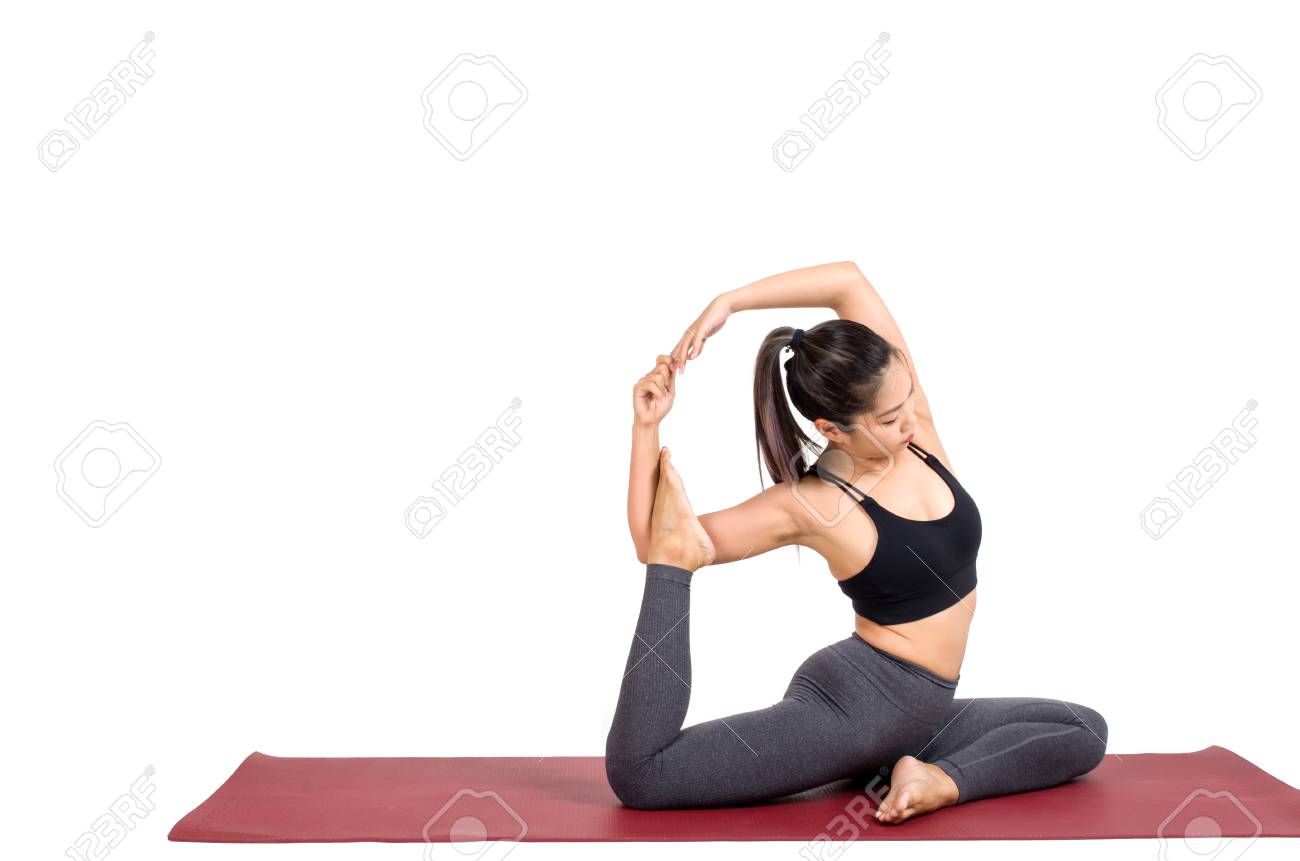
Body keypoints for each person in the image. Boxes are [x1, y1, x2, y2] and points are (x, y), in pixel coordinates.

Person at [605, 261, 1108, 822]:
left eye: (909, 399)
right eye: (891, 419)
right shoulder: (814, 504)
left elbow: (847, 281)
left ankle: (930, 773)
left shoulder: (914, 433)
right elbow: (655, 539)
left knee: (1083, 729)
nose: (911, 422)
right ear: (831, 428)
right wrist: (646, 428)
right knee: (644, 776)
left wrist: (731, 300)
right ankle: (937, 781)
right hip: (856, 713)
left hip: (920, 712)